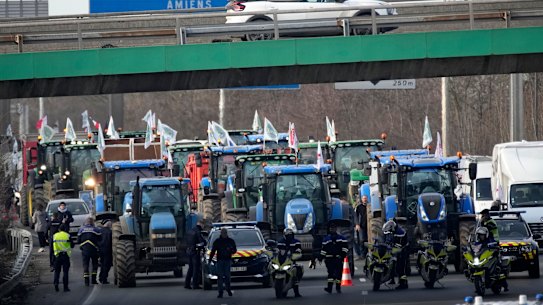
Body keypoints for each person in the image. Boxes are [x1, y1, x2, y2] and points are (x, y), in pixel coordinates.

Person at [320, 223, 348, 294]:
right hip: (329, 259)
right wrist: (321, 257)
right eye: (331, 228)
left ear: (336, 229)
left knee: (338, 274)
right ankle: (330, 288)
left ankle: (337, 288)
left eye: (333, 228)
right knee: (331, 274)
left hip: (338, 258)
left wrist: (342, 255)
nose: (332, 229)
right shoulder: (326, 239)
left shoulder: (341, 238)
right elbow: (323, 250)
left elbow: (345, 248)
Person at [209, 228, 237, 298]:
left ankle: (228, 289)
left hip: (227, 260)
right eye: (223, 233)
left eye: (225, 233)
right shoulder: (217, 241)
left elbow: (235, 250)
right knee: (220, 277)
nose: (224, 234)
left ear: (227, 233)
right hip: (220, 260)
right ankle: (220, 292)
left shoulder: (230, 241)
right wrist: (210, 259)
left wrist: (230, 250)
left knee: (227, 276)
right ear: (221, 233)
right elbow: (213, 251)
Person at [382, 219, 409, 290]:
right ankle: (392, 279)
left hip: (402, 251)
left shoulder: (401, 232)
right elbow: (386, 240)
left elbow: (402, 243)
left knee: (400, 267)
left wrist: (397, 246)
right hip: (393, 250)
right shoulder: (387, 231)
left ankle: (403, 283)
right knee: (391, 264)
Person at [277, 228, 303, 297]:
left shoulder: (296, 242)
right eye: (288, 235)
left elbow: (299, 250)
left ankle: (296, 292)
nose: (289, 236)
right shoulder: (280, 242)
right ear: (284, 235)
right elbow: (276, 250)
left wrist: (297, 253)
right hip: (281, 261)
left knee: (296, 271)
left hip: (291, 261)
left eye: (291, 235)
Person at [77, 217, 102, 286]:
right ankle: (93, 280)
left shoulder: (81, 229)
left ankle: (86, 281)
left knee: (86, 265)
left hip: (84, 250)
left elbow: (78, 240)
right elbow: (100, 239)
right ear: (92, 222)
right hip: (94, 249)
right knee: (94, 264)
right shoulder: (96, 229)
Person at [185, 220, 206, 289]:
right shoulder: (198, 232)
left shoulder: (190, 231)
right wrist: (204, 245)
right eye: (203, 225)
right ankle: (195, 284)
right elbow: (201, 242)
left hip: (188, 251)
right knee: (196, 268)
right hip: (195, 252)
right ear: (201, 224)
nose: (203, 227)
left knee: (190, 268)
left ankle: (187, 284)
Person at [53, 224, 73, 292]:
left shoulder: (55, 235)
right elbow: (72, 245)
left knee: (57, 271)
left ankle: (56, 283)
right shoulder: (68, 235)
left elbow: (52, 245)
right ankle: (65, 287)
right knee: (65, 272)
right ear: (65, 229)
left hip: (57, 255)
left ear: (59, 229)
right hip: (65, 256)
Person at [354, 195, 369, 260]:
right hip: (362, 226)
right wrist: (357, 224)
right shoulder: (359, 207)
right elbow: (356, 216)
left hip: (368, 226)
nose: (365, 199)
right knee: (362, 240)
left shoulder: (369, 206)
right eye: (363, 198)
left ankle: (366, 253)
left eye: (365, 198)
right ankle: (362, 254)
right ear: (362, 199)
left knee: (367, 240)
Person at [99, 219, 113, 284]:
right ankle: (104, 278)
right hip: (108, 250)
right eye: (110, 224)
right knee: (107, 265)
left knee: (102, 264)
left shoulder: (99, 231)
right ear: (108, 224)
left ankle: (101, 277)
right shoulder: (110, 232)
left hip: (101, 250)